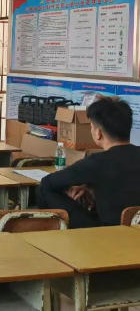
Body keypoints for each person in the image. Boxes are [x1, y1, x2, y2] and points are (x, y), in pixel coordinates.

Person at [38, 98, 140, 228]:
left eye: (91, 126)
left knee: (44, 189)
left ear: (98, 133)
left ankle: (47, 233)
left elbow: (48, 182)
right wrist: (89, 187)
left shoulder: (98, 162)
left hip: (107, 232)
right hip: (136, 228)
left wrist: (68, 189)